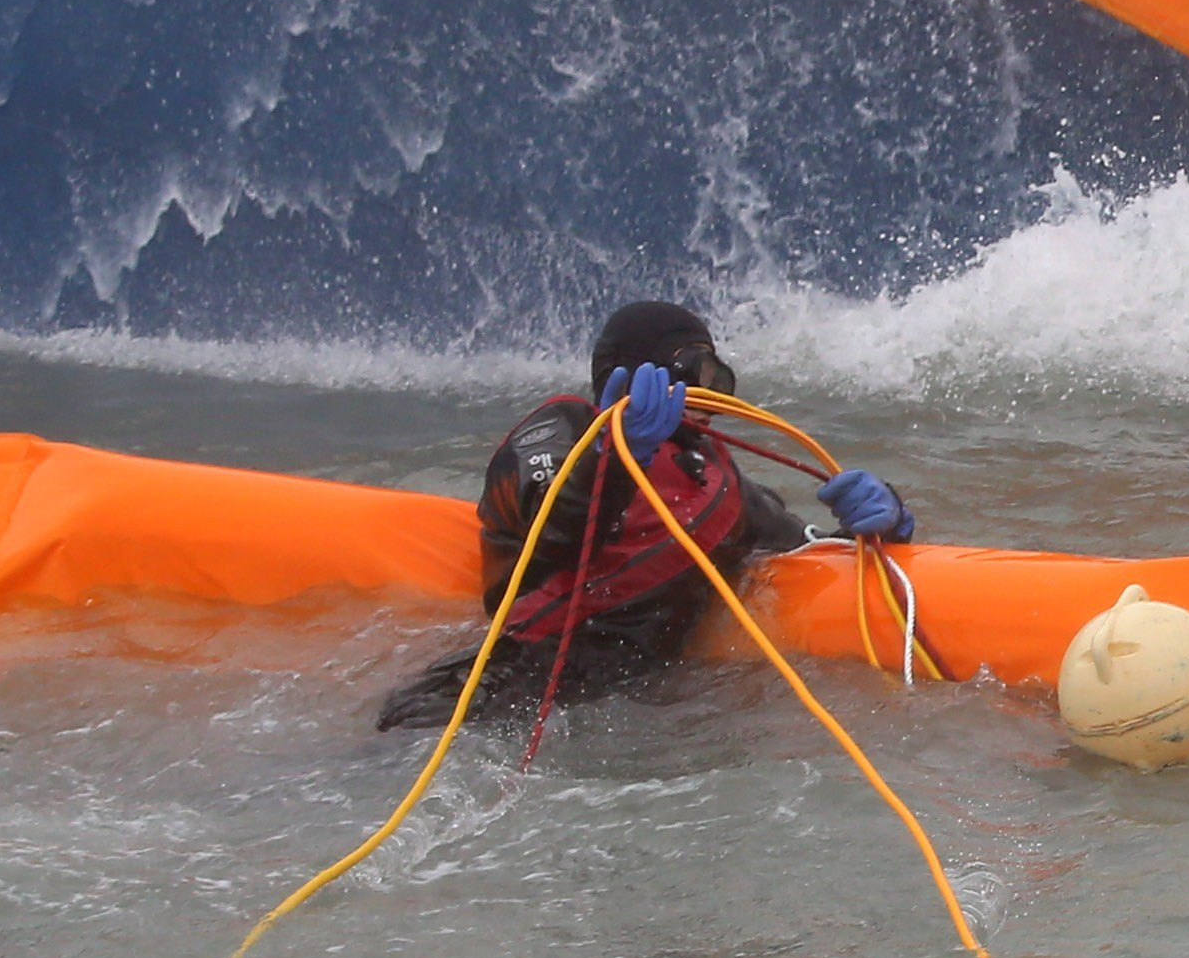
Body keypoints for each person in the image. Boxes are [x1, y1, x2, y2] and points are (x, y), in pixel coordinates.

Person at [377, 301, 912, 730]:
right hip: (509, 684)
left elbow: (811, 550)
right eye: (691, 369)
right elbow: (551, 528)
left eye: (715, 372)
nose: (708, 389)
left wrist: (884, 519)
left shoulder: (718, 484)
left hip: (646, 707)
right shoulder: (560, 434)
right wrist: (613, 458)